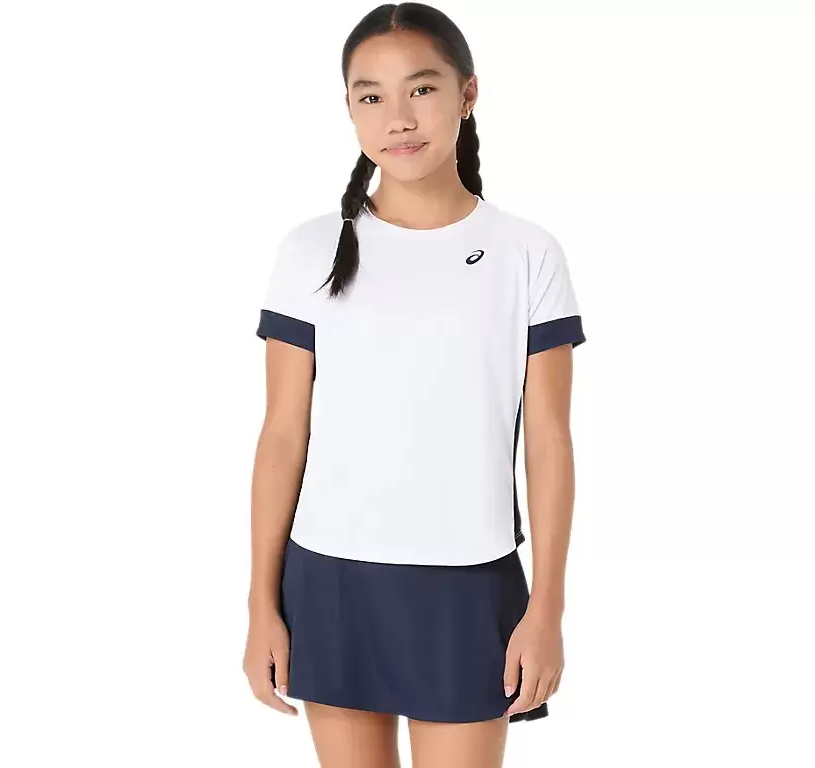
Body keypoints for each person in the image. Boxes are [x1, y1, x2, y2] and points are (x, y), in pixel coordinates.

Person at [243, 3, 586, 766]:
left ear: (468, 93)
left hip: (468, 584)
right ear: (349, 109)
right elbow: (282, 435)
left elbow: (549, 441)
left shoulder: (526, 254)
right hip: (330, 580)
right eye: (370, 96)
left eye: (421, 89)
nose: (397, 117)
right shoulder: (309, 252)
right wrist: (261, 602)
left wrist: (547, 608)